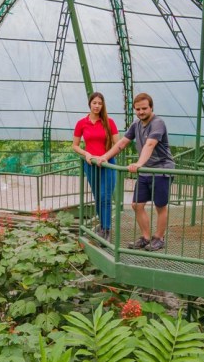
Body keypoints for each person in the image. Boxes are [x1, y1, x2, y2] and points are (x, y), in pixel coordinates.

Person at [98, 92, 174, 251]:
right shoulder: (136, 124)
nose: (141, 112)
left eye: (144, 108)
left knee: (160, 206)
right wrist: (104, 157)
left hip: (161, 170)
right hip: (145, 170)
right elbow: (122, 143)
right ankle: (146, 237)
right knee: (136, 205)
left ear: (151, 107)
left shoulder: (158, 123)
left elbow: (150, 145)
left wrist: (139, 163)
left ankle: (159, 238)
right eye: (138, 109)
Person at [72, 92, 120, 240]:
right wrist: (86, 154)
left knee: (106, 197)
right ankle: (103, 225)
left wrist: (105, 157)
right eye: (95, 103)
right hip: (91, 164)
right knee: (98, 197)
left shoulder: (109, 122)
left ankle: (106, 229)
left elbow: (117, 144)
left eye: (100, 103)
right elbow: (74, 146)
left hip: (107, 163)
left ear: (103, 105)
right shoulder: (81, 123)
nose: (97, 106)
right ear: (90, 104)